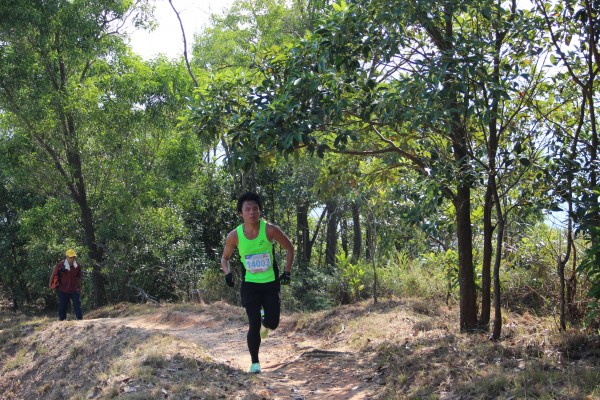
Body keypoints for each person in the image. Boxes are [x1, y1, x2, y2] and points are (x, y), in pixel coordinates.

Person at [220, 192, 294, 374]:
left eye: (255, 209)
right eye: (247, 209)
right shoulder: (234, 235)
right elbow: (225, 258)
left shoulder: (270, 230)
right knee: (253, 323)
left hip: (270, 284)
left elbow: (289, 248)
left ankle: (265, 320)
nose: (252, 212)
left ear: (260, 211)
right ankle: (255, 363)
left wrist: (287, 272)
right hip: (250, 285)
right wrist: (227, 273)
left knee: (273, 323)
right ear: (241, 213)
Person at [49, 248, 83, 321]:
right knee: (62, 306)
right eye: (71, 257)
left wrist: (80, 288)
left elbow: (79, 278)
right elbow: (53, 275)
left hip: (74, 289)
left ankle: (80, 320)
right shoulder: (60, 265)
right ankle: (62, 322)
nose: (72, 259)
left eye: (73, 257)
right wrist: (50, 285)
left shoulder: (77, 266)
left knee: (77, 304)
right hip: (62, 289)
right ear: (66, 257)